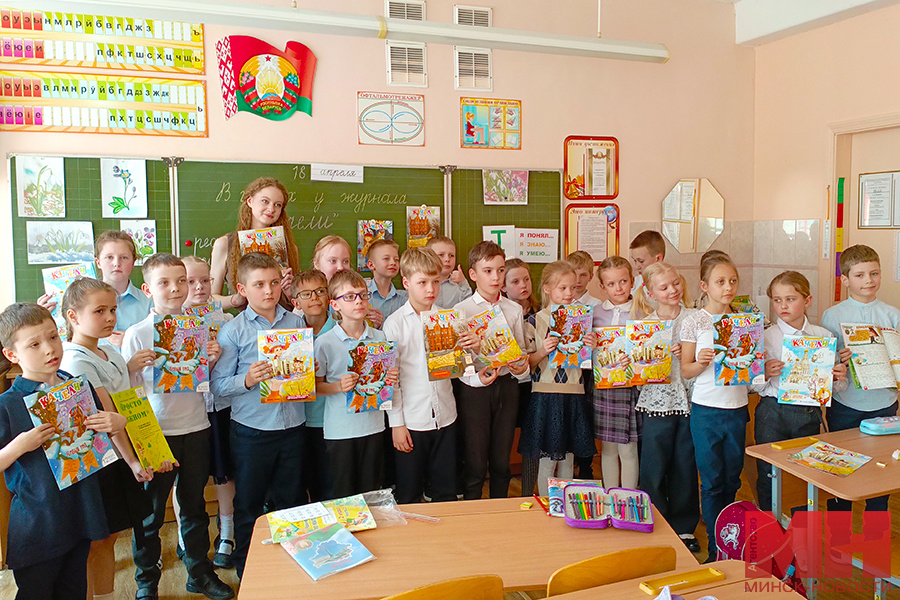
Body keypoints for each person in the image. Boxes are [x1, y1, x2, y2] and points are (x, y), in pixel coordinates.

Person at [122, 253, 233, 600]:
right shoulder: (137, 334)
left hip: (196, 427)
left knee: (195, 507)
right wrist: (130, 367)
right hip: (157, 433)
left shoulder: (198, 327)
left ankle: (199, 573)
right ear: (148, 289)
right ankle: (146, 581)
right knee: (151, 514)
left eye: (181, 281)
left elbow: (202, 382)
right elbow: (126, 393)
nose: (176, 288)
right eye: (165, 283)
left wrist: (211, 360)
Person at [0, 303, 115, 600]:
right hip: (38, 521)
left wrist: (115, 423)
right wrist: (19, 446)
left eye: (53, 337)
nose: (50, 349)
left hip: (79, 511)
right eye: (34, 345)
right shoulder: (8, 404)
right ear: (12, 355)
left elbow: (100, 437)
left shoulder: (78, 387)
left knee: (74, 588)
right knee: (36, 591)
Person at [211, 253, 307, 578]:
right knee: (249, 505)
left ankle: (292, 569)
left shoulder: (296, 323)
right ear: (242, 289)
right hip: (252, 432)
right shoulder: (233, 331)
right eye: (259, 284)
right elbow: (218, 386)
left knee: (291, 502)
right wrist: (248, 379)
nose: (268, 290)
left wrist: (306, 371)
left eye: (274, 283)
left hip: (293, 427)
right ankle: (247, 571)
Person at [60, 278, 156, 599]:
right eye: (99, 311)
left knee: (109, 536)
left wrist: (144, 451)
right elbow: (109, 415)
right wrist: (133, 461)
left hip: (121, 453)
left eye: (113, 310)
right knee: (96, 539)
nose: (110, 317)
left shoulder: (109, 350)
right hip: (103, 460)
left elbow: (128, 401)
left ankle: (104, 595)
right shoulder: (76, 359)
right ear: (73, 316)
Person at [754, 270, 848, 512]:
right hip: (772, 412)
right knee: (768, 473)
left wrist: (838, 377)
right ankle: (770, 527)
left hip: (807, 413)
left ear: (807, 301)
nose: (783, 306)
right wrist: (764, 372)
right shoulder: (765, 337)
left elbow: (837, 388)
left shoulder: (823, 336)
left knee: (805, 473)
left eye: (790, 299)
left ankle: (802, 531)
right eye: (777, 300)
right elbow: (753, 386)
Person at [821, 244, 900, 514]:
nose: (868, 280)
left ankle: (876, 534)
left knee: (881, 473)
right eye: (860, 275)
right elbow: (826, 362)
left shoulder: (892, 314)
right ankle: (839, 533)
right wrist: (839, 360)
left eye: (874, 273)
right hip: (846, 404)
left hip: (884, 403)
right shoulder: (833, 315)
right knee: (840, 470)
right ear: (845, 280)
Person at [680, 252, 748, 561]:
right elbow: (686, 370)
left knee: (732, 478)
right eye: (720, 282)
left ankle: (731, 540)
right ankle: (714, 545)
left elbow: (752, 367)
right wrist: (701, 362)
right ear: (705, 286)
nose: (728, 287)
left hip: (738, 408)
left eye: (732, 281)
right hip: (706, 410)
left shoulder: (745, 320)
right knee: (710, 481)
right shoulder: (695, 320)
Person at [633, 262, 701, 554]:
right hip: (656, 403)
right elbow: (637, 373)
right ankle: (656, 522)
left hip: (690, 402)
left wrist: (689, 353)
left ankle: (685, 527)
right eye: (664, 287)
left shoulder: (696, 319)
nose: (672, 290)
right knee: (654, 465)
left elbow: (707, 359)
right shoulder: (644, 326)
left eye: (676, 283)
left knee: (685, 465)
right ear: (650, 294)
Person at [453, 241, 530, 499]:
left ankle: (500, 510)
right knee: (475, 462)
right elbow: (459, 363)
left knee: (501, 460)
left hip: (506, 387)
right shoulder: (461, 311)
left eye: (500, 270)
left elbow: (520, 353)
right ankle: (473, 512)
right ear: (473, 274)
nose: (495, 277)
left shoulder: (513, 309)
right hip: (474, 391)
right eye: (487, 271)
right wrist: (478, 355)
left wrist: (520, 367)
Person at [315, 269, 398, 498]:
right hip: (340, 430)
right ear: (335, 305)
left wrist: (389, 379)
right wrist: (337, 386)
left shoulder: (379, 338)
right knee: (344, 492)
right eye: (350, 297)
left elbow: (384, 381)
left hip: (374, 426)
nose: (359, 301)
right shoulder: (325, 342)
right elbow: (314, 386)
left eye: (363, 295)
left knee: (371, 490)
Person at [384, 247, 458, 503]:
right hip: (412, 421)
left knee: (445, 491)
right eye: (422, 282)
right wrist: (397, 424)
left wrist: (469, 354)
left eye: (435, 282)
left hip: (446, 417)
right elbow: (392, 381)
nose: (431, 289)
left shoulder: (447, 319)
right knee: (409, 492)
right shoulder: (395, 324)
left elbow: (458, 369)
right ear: (406, 283)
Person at [518, 260, 596, 496]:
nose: (569, 293)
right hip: (545, 394)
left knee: (568, 457)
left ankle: (566, 503)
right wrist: (543, 350)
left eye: (573, 287)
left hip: (574, 393)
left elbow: (587, 361)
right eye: (562, 288)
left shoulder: (582, 319)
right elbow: (526, 363)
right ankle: (547, 501)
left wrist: (592, 346)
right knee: (547, 458)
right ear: (547, 288)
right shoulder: (534, 321)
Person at [181, 255, 236, 569]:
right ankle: (185, 537)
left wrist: (216, 358)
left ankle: (227, 531)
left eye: (205, 280)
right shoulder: (170, 324)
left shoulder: (225, 320)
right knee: (186, 479)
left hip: (221, 407)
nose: (199, 287)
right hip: (188, 411)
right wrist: (206, 362)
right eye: (190, 281)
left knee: (223, 471)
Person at [39, 230, 152, 348]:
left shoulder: (149, 302)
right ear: (98, 262)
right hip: (87, 359)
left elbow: (160, 346)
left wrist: (133, 342)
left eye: (124, 257)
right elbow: (62, 340)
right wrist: (43, 319)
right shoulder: (78, 300)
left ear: (133, 262)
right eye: (109, 257)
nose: (116, 263)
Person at [209, 177, 300, 312]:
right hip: (246, 322)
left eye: (277, 205)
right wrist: (236, 299)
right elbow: (210, 301)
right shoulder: (225, 244)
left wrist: (292, 293)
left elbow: (299, 303)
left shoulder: (290, 248)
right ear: (250, 201)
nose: (271, 209)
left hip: (283, 322)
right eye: (265, 201)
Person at [592, 256, 644, 489]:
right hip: (604, 387)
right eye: (611, 284)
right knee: (608, 448)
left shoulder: (642, 312)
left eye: (623, 281)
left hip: (630, 387)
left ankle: (629, 497)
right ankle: (611, 495)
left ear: (632, 281)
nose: (618, 288)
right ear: (602, 287)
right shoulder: (594, 313)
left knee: (629, 448)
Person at [290, 269, 336, 502]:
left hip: (332, 420)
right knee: (304, 482)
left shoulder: (341, 329)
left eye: (320, 291)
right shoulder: (290, 336)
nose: (315, 298)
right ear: (295, 302)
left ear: (328, 295)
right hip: (300, 420)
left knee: (330, 483)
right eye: (306, 294)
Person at [502, 258, 540, 496]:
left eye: (526, 279)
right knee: (504, 440)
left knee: (531, 440)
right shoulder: (498, 315)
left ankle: (527, 491)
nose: (523, 285)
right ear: (503, 286)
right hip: (508, 384)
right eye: (515, 281)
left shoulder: (541, 312)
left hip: (534, 385)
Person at [366, 238, 407, 327]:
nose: (393, 263)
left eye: (396, 259)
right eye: (386, 259)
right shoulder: (362, 295)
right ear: (371, 265)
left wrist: (383, 324)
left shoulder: (404, 298)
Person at [428, 235, 472, 309]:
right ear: (429, 258)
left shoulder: (459, 286)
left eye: (451, 255)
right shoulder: (422, 284)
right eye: (441, 255)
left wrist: (463, 282)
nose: (447, 259)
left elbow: (469, 305)